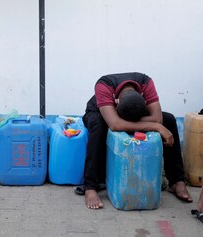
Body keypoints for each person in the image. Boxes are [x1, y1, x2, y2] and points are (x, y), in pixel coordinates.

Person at [79, 72, 193, 209]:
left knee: (168, 119)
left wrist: (157, 124)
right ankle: (90, 186)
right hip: (99, 113)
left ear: (143, 100)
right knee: (99, 125)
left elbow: (158, 118)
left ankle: (176, 181)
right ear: (117, 101)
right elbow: (115, 124)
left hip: (129, 113)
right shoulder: (103, 85)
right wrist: (156, 126)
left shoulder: (146, 83)